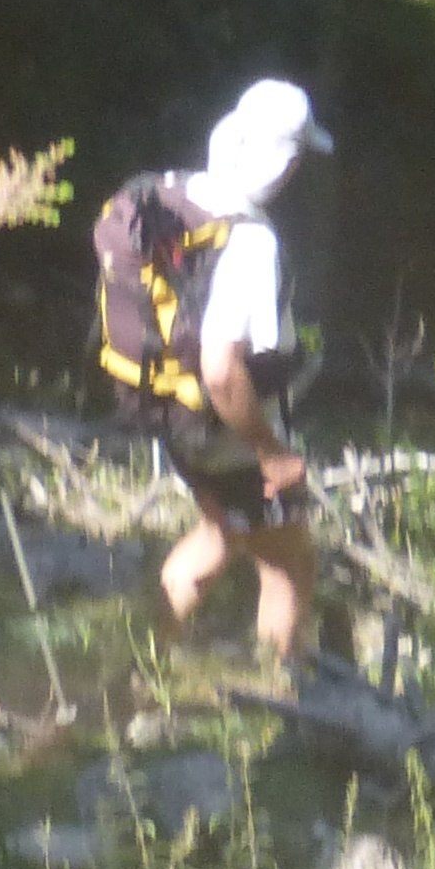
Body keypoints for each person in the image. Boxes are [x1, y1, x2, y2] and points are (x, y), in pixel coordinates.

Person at [157, 78, 331, 665]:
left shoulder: (180, 193)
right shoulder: (251, 242)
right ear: (287, 164)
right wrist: (270, 452)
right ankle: (278, 688)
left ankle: (139, 663)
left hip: (169, 414)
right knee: (289, 562)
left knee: (219, 536)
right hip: (224, 426)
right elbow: (220, 368)